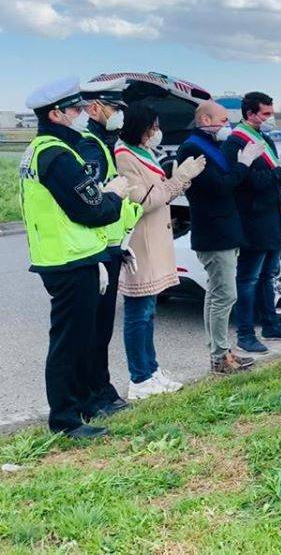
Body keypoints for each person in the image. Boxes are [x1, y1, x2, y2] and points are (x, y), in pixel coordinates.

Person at [20, 78, 136, 438]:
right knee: (69, 343)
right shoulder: (57, 156)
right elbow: (93, 211)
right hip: (70, 262)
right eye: (75, 110)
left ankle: (81, 404)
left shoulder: (44, 150)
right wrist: (115, 195)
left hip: (71, 257)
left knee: (78, 338)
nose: (83, 114)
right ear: (55, 114)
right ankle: (65, 420)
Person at [115, 103, 206, 400]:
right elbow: (143, 200)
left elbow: (161, 193)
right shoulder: (125, 156)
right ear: (138, 128)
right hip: (141, 244)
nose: (156, 132)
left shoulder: (143, 152)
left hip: (155, 240)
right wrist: (178, 179)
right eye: (151, 127)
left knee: (148, 312)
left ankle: (151, 371)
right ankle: (139, 379)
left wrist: (176, 181)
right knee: (138, 314)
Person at [75, 77, 143, 420]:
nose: (119, 114)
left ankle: (100, 390)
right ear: (96, 107)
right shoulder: (90, 146)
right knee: (95, 329)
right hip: (98, 249)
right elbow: (94, 204)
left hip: (111, 246)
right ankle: (94, 395)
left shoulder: (104, 141)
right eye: (115, 108)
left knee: (101, 327)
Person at [177, 101, 262, 374]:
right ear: (205, 119)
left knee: (216, 294)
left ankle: (220, 351)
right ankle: (219, 357)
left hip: (223, 230)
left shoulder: (209, 145)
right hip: (215, 232)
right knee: (225, 295)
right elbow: (219, 187)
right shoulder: (192, 148)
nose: (227, 126)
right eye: (223, 120)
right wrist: (244, 164)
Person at [221, 92, 281, 354]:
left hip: (271, 219)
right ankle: (245, 334)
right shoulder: (236, 143)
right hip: (252, 220)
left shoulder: (265, 138)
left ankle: (271, 324)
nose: (271, 118)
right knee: (248, 279)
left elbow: (274, 180)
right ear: (250, 115)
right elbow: (252, 183)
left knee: (269, 275)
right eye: (266, 114)